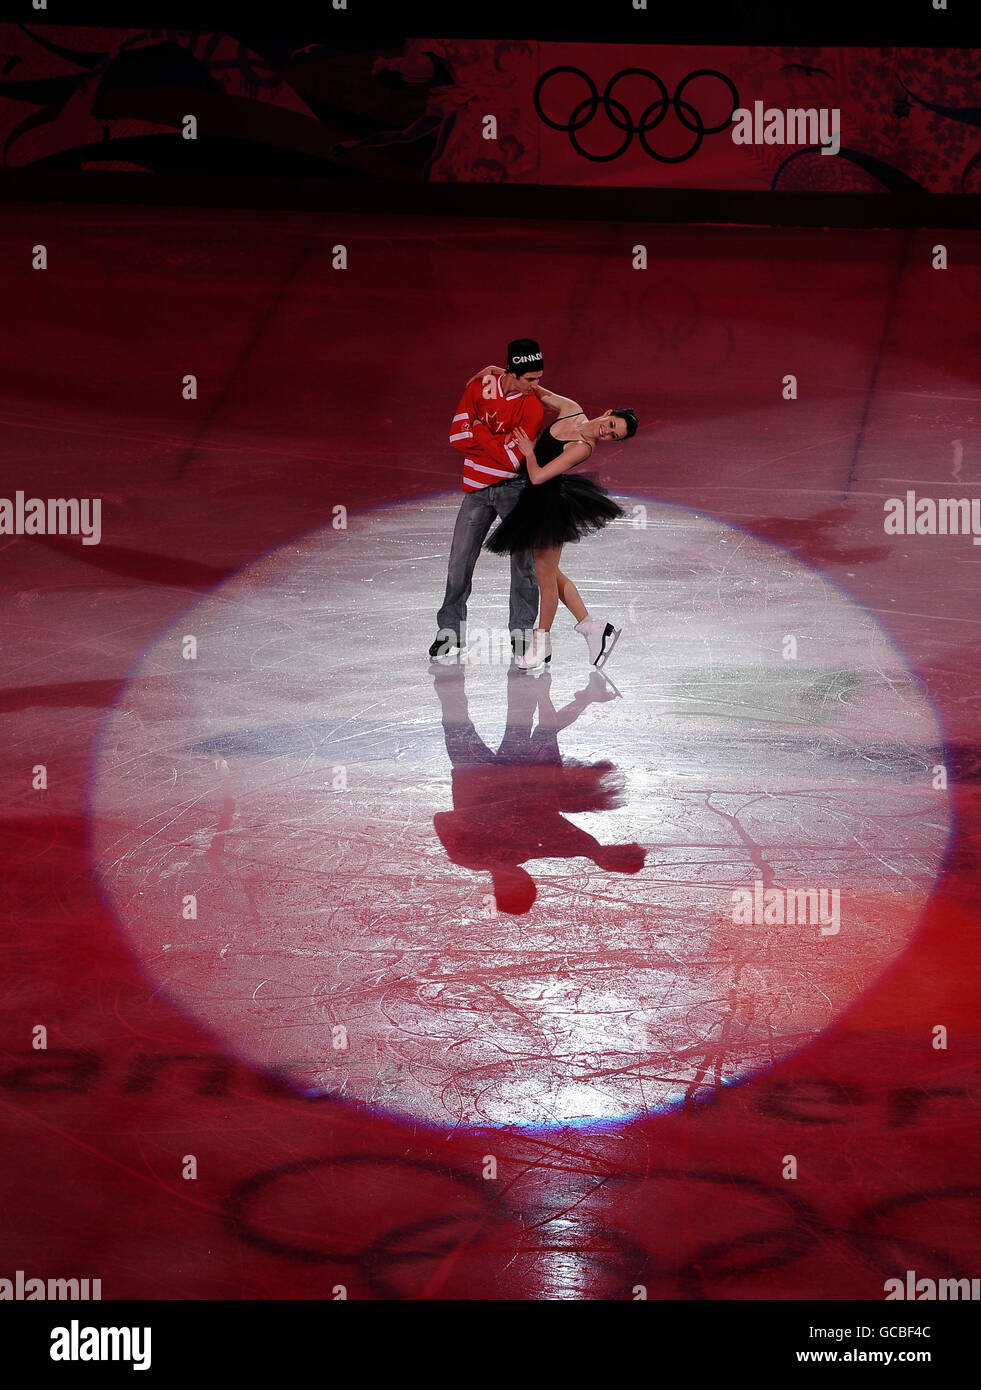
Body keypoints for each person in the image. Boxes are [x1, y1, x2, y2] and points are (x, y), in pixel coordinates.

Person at [483, 385, 638, 671]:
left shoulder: (582, 447)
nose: (607, 431)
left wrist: (529, 452)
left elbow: (540, 475)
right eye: (612, 424)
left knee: (545, 578)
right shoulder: (571, 408)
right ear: (608, 413)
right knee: (552, 573)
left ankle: (542, 642)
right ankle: (592, 628)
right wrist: (500, 374)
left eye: (614, 435)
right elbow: (534, 390)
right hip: (534, 502)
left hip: (548, 507)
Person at [429, 339, 547, 661]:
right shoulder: (480, 387)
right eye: (530, 380)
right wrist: (496, 443)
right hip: (476, 491)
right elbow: (456, 435)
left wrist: (479, 431)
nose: (536, 386)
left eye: (538, 379)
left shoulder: (533, 406)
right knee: (459, 562)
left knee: (523, 563)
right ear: (512, 372)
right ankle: (450, 632)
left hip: (513, 490)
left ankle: (521, 634)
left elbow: (511, 462)